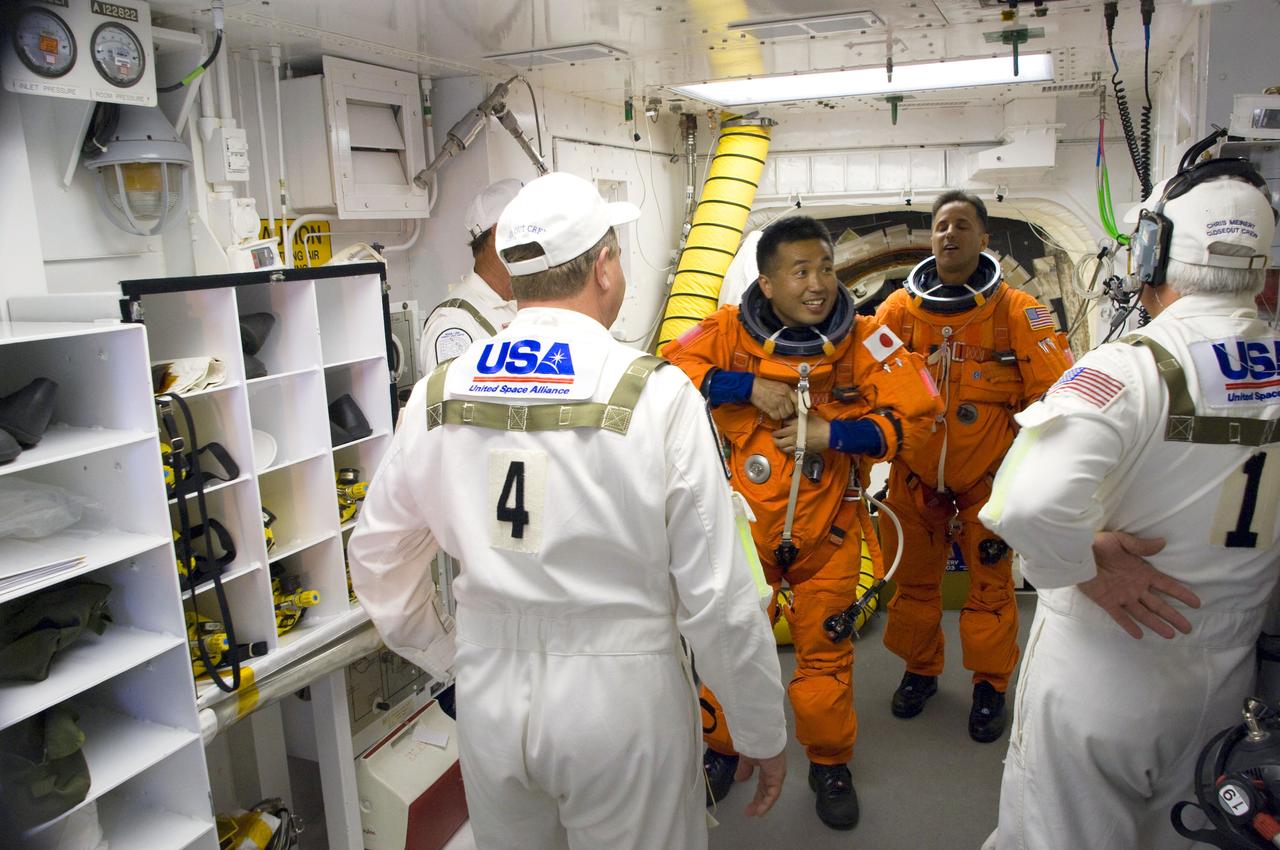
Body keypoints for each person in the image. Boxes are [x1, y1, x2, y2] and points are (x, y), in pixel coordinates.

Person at [350, 171, 788, 850]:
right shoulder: (656, 393)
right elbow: (719, 596)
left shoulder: (437, 393)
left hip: (491, 696)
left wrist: (455, 656)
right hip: (622, 698)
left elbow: (377, 560)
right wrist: (760, 728)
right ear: (606, 268)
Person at [978, 160, 1280, 850]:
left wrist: (1086, 563)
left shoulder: (1129, 368)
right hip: (1231, 683)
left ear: (1152, 252)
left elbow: (1024, 504)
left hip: (1109, 667)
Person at [663, 215, 942, 831]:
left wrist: (833, 432)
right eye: (801, 271)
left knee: (825, 662)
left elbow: (920, 415)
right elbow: (664, 373)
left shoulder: (865, 340)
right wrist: (745, 385)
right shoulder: (729, 333)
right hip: (746, 533)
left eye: (825, 268)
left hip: (829, 536)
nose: (818, 284)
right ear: (767, 283)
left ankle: (829, 761)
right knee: (729, 649)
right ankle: (722, 747)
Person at [874, 190, 1074, 742]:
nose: (950, 234)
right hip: (914, 479)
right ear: (931, 237)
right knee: (913, 586)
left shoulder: (1017, 313)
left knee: (990, 589)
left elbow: (1057, 402)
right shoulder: (897, 312)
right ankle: (920, 671)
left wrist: (1036, 484)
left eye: (962, 225)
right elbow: (861, 377)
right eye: (941, 225)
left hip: (988, 482)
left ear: (983, 239)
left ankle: (990, 684)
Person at [418, 178, 522, 373]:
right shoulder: (453, 322)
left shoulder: (527, 303)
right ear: (498, 234)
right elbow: (450, 402)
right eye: (528, 229)